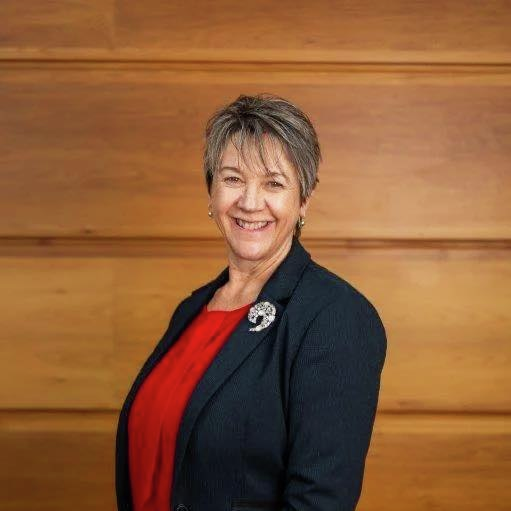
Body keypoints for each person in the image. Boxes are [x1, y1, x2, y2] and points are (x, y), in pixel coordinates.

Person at [115, 93, 387, 511]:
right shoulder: (191, 311)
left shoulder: (336, 317)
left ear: (303, 200)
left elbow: (320, 501)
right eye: (233, 179)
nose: (250, 202)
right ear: (211, 192)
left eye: (273, 183)